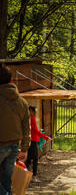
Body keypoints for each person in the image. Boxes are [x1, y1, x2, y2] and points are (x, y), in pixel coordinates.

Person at [0, 66, 30, 195]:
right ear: (12, 80)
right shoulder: (22, 102)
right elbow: (26, 128)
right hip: (14, 146)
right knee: (7, 181)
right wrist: (24, 149)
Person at [25, 106, 52, 183]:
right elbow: (36, 132)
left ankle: (24, 176)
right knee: (35, 160)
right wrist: (46, 137)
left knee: (29, 159)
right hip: (33, 142)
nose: (36, 113)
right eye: (35, 111)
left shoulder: (30, 119)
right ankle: (34, 177)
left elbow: (35, 131)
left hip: (32, 141)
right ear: (31, 111)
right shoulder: (32, 119)